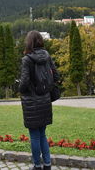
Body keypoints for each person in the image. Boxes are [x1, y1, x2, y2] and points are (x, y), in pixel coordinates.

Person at [19, 30, 59, 170]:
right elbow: (56, 76)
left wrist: (21, 89)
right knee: (42, 134)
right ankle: (47, 164)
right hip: (45, 100)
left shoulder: (27, 60)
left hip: (31, 102)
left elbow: (24, 82)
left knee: (35, 136)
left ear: (29, 42)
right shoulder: (47, 56)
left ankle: (37, 165)